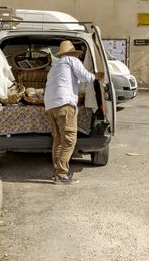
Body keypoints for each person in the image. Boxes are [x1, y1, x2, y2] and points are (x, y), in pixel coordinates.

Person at [44, 40, 104, 185]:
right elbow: (86, 77)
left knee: (58, 140)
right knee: (70, 140)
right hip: (65, 104)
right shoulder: (72, 60)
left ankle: (57, 172)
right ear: (72, 53)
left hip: (50, 106)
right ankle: (62, 174)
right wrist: (98, 75)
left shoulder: (54, 66)